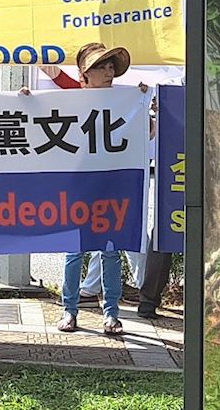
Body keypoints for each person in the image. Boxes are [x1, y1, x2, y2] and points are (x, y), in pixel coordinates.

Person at [42, 42, 137, 335]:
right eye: (101, 67)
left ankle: (111, 314)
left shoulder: (126, 100)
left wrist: (148, 108)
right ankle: (69, 311)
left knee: (111, 251)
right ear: (85, 74)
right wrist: (24, 102)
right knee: (75, 251)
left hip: (112, 186)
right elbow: (47, 90)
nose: (108, 73)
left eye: (110, 67)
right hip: (78, 186)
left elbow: (145, 133)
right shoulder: (74, 97)